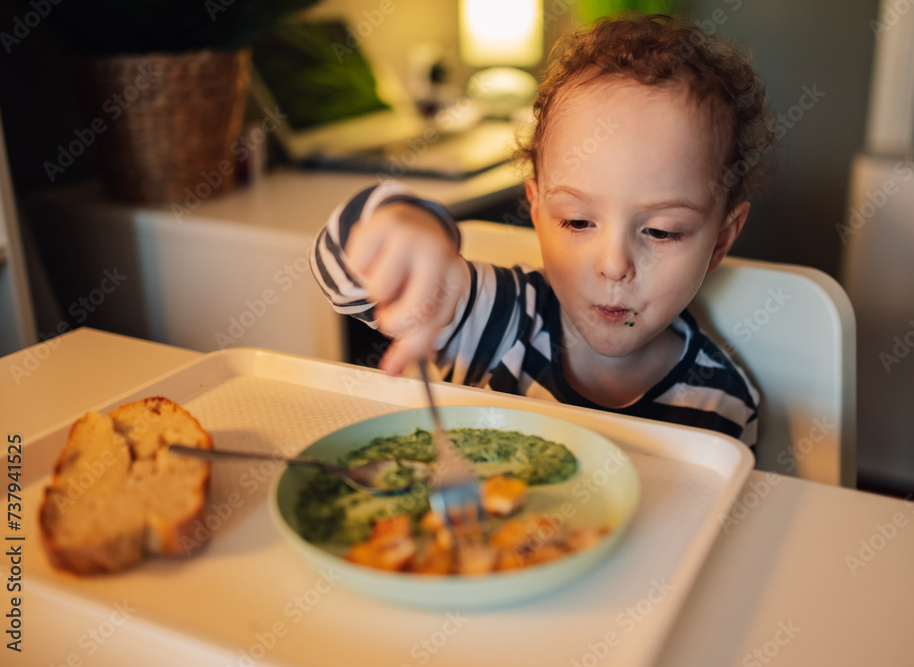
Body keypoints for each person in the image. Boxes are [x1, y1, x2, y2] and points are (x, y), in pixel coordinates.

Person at [310, 13, 776, 449]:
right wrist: (408, 225)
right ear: (535, 209)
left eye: (660, 231)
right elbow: (343, 280)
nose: (613, 265)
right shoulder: (495, 320)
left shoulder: (720, 405)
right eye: (576, 221)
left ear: (720, 240)